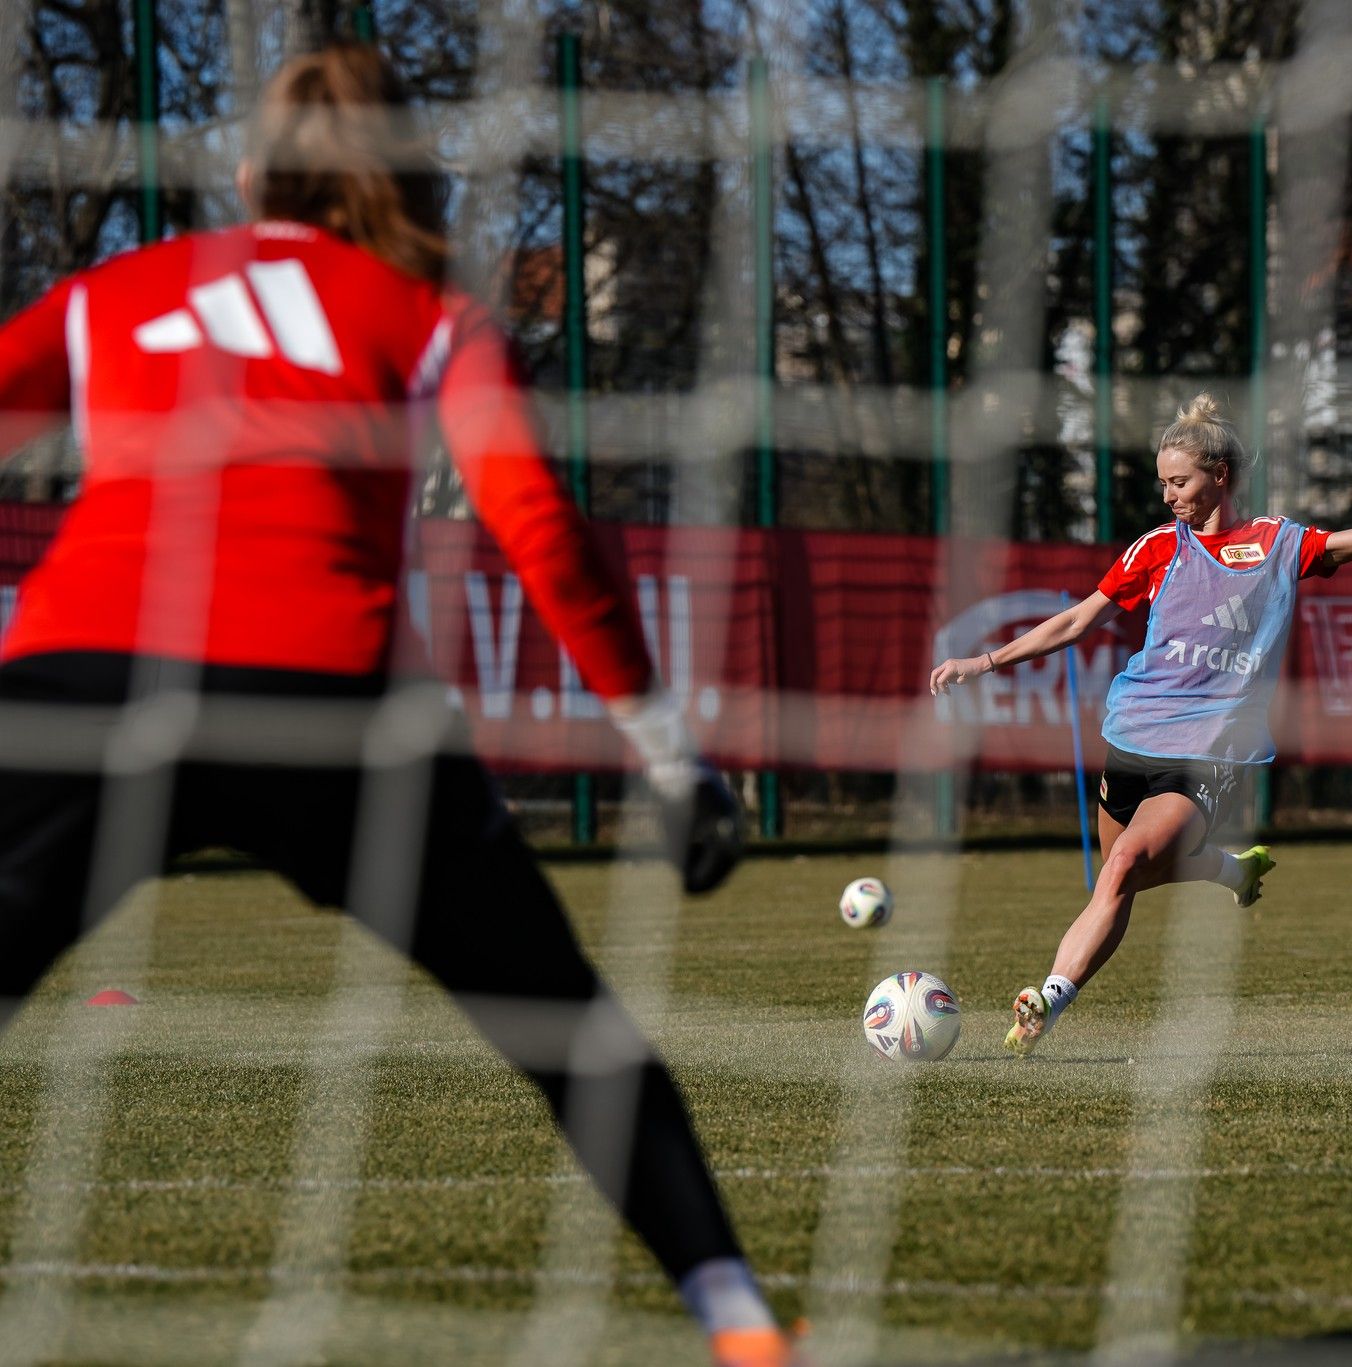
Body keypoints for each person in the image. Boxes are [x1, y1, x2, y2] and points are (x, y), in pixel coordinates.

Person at [0, 44, 790, 1367]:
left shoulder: (112, 296)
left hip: (87, 676)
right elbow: (537, 521)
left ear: (246, 174)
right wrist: (665, 751)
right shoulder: (426, 315)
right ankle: (745, 1328)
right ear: (405, 179)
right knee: (569, 1034)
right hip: (330, 694)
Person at [931, 394, 1352, 1055]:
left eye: (1180, 482)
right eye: (1163, 482)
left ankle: (1047, 1001)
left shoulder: (1278, 545)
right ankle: (1232, 871)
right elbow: (1078, 619)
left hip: (1209, 749)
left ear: (1220, 474)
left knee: (1124, 869)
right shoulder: (1157, 549)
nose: (1169, 496)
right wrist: (986, 660)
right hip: (1133, 733)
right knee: (1123, 871)